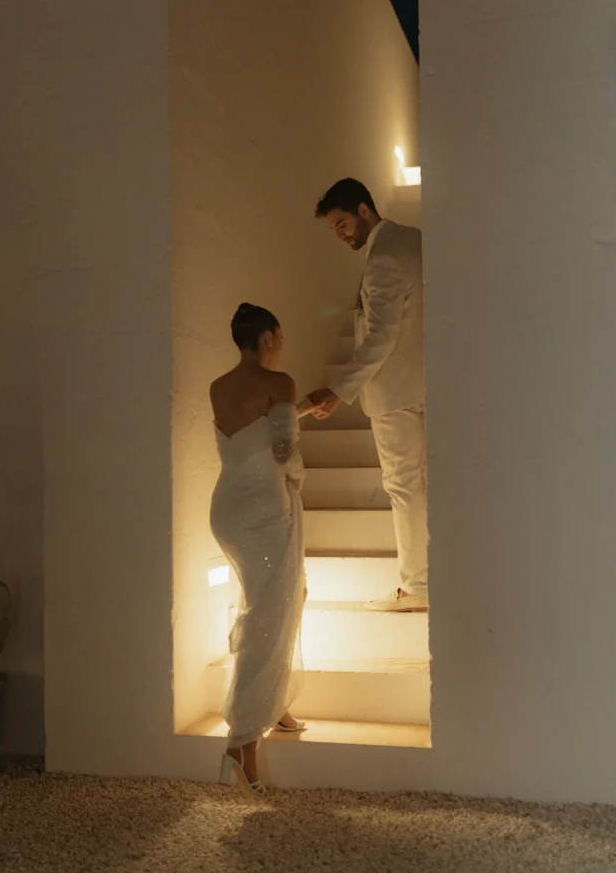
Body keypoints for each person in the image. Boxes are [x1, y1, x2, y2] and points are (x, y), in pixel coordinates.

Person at [308, 178, 428, 613]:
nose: (340, 235)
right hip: (430, 381)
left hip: (396, 390)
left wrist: (338, 390)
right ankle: (431, 578)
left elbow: (380, 336)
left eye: (341, 223)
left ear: (364, 210)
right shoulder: (415, 239)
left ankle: (417, 585)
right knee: (425, 484)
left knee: (404, 485)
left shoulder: (381, 259)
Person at [210, 303, 314, 799]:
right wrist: (298, 480)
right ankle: (242, 742)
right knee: (272, 612)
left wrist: (295, 412)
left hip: (226, 508)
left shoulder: (218, 387)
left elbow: (250, 438)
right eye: (280, 336)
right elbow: (281, 452)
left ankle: (273, 706)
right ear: (269, 337)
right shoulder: (282, 381)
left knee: (270, 604)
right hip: (265, 511)